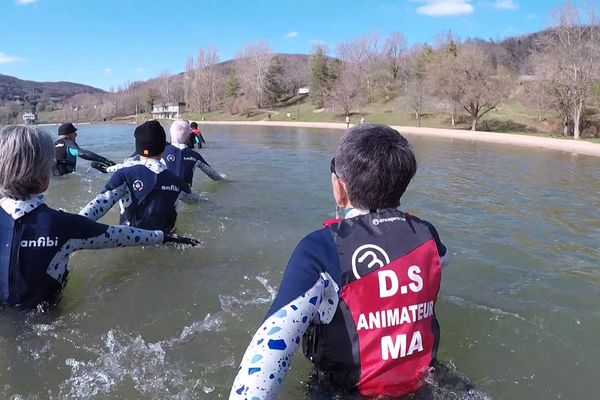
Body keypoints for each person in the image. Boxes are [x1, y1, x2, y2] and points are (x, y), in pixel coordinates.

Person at [230, 124, 448, 399]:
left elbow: (267, 355)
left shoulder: (320, 249)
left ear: (340, 186)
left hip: (344, 392)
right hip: (424, 386)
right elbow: (440, 262)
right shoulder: (428, 236)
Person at [0, 125, 198, 310]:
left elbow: (98, 207)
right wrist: (167, 237)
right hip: (46, 318)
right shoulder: (65, 226)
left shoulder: (124, 174)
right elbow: (122, 236)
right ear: (44, 178)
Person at [79, 120, 197, 233]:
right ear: (163, 149)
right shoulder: (178, 182)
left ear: (138, 149)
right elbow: (194, 200)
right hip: (168, 241)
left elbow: (97, 207)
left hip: (131, 242)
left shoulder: (124, 175)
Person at [165, 120, 225, 186]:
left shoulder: (161, 153)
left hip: (165, 192)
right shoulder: (195, 155)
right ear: (188, 137)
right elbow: (214, 175)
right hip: (187, 193)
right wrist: (225, 181)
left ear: (171, 135)